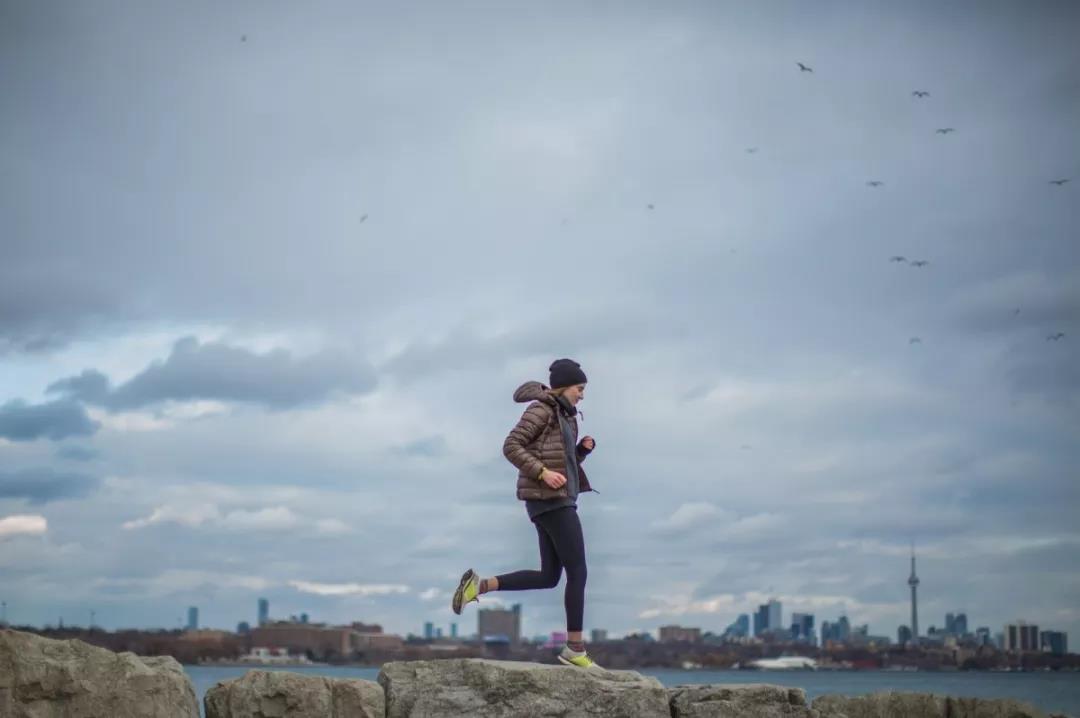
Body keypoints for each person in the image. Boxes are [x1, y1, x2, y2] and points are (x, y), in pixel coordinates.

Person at [452, 358, 601, 669]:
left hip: (553, 498)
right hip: (551, 500)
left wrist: (580, 453)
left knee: (550, 576)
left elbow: (560, 461)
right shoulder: (541, 409)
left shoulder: (566, 416)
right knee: (578, 571)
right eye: (580, 388)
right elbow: (511, 446)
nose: (583, 395)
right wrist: (543, 472)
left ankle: (479, 586)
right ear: (564, 386)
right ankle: (575, 648)